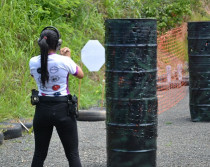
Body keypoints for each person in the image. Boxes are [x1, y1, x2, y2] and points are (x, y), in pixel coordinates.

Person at [29, 26, 84, 167]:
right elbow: (80, 74)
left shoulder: (33, 61)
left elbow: (36, 72)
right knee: (72, 154)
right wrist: (68, 58)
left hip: (42, 109)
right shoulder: (65, 61)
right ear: (57, 44)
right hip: (63, 109)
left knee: (39, 154)